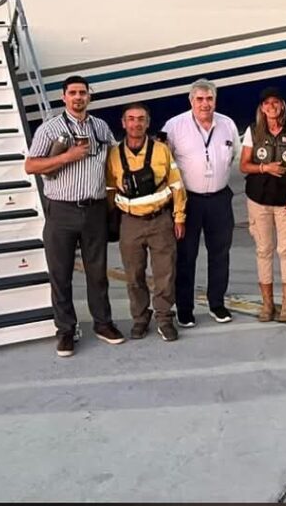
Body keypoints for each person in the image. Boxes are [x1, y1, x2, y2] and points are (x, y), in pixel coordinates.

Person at [24, 75, 124, 357]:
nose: (78, 97)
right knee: (60, 273)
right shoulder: (50, 129)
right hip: (62, 210)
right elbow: (31, 166)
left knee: (97, 272)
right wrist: (66, 157)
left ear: (89, 96)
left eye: (83, 93)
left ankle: (103, 323)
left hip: (94, 209)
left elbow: (114, 157)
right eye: (73, 93)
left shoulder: (101, 127)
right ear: (63, 97)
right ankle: (66, 330)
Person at [162, 79, 241, 327]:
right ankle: (185, 308)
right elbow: (163, 163)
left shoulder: (227, 124)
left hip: (219, 199)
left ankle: (217, 303)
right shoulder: (174, 126)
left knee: (220, 254)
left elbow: (234, 156)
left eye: (209, 99)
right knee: (186, 256)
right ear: (191, 101)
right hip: (188, 201)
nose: (205, 104)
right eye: (200, 99)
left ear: (215, 100)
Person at [107, 103, 187, 343]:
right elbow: (110, 188)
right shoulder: (114, 154)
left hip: (160, 220)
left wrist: (179, 216)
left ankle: (164, 318)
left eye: (141, 119)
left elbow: (176, 184)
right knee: (134, 275)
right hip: (130, 223)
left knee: (165, 272)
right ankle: (140, 318)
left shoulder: (162, 150)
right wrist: (113, 220)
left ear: (148, 123)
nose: (136, 123)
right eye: (131, 119)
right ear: (123, 123)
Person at [239, 87, 286, 323]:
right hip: (259, 200)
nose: (271, 106)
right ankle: (267, 304)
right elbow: (244, 165)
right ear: (262, 108)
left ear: (282, 105)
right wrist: (264, 168)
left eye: (276, 102)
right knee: (264, 251)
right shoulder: (253, 132)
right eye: (267, 103)